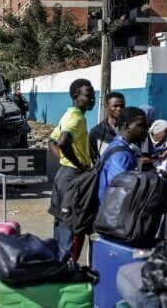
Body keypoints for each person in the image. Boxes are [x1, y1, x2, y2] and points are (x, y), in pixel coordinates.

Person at [48, 78, 95, 259]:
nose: (91, 99)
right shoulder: (76, 119)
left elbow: (52, 141)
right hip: (72, 177)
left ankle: (58, 263)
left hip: (63, 174)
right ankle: (67, 267)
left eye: (92, 96)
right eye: (88, 96)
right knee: (71, 224)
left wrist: (63, 159)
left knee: (61, 222)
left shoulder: (67, 115)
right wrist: (77, 164)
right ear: (76, 97)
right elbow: (61, 141)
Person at [98, 107, 148, 203]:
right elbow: (119, 192)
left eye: (147, 126)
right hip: (113, 213)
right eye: (141, 126)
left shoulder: (117, 145)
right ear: (126, 127)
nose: (146, 130)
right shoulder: (121, 155)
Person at [89, 92, 125, 163]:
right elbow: (92, 157)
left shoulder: (128, 130)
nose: (119, 109)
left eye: (122, 106)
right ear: (106, 107)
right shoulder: (97, 132)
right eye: (115, 106)